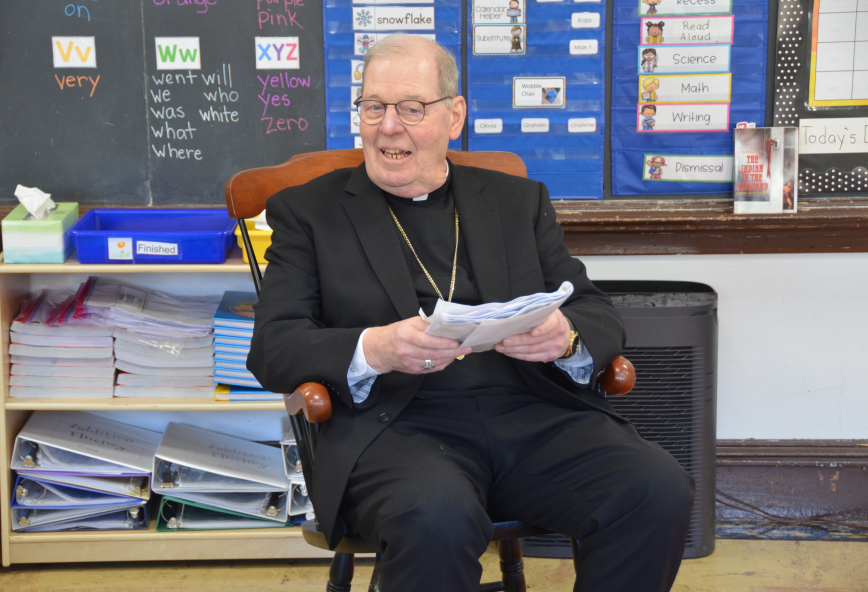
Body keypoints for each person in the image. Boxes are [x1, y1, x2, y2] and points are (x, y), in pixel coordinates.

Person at [248, 33, 694, 592]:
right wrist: (376, 348)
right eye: (373, 107)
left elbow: (594, 309)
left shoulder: (516, 201)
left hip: (531, 416)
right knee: (434, 517)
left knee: (656, 487)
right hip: (396, 430)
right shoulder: (309, 213)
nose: (389, 126)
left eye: (411, 108)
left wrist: (566, 336)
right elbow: (273, 345)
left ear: (453, 115)